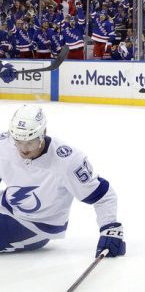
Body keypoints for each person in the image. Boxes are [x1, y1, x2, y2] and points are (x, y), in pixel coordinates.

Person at [0, 105, 125, 257]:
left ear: (43, 133)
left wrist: (110, 229)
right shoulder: (5, 144)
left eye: (30, 143)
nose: (23, 149)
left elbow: (104, 197)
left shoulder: (68, 161)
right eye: (18, 142)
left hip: (37, 225)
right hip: (5, 206)